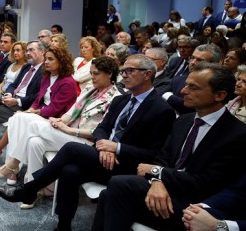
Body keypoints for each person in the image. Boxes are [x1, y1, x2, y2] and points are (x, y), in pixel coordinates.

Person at [0, 54, 176, 231]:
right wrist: (104, 144)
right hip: (103, 158)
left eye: (130, 70)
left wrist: (116, 148)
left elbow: (154, 154)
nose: (124, 74)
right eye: (123, 70)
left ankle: (29, 189)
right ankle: (63, 225)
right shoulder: (122, 100)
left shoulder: (161, 109)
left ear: (147, 74)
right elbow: (101, 129)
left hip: (127, 167)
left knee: (71, 148)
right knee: (69, 170)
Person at [92, 63, 246, 231]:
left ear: (219, 95)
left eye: (193, 88)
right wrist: (157, 181)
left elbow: (206, 182)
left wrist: (158, 173)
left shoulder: (236, 134)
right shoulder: (183, 120)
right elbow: (161, 159)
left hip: (196, 206)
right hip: (167, 190)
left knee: (119, 186)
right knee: (109, 195)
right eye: (187, 84)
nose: (183, 91)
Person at [0, 57, 120, 193]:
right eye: (91, 73)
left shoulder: (115, 97)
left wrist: (68, 129)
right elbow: (70, 113)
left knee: (32, 124)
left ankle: (13, 164)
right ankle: (33, 189)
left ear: (109, 74)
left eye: (96, 73)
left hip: (86, 143)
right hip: (69, 132)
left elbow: (101, 131)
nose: (92, 77)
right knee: (33, 141)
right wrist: (60, 121)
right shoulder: (90, 89)